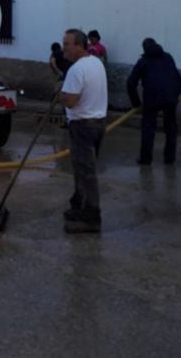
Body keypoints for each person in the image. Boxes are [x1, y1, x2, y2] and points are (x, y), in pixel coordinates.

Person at [61, 28, 108, 233]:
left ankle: (91, 216)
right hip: (98, 122)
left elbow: (70, 102)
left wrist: (59, 92)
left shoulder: (76, 70)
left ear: (79, 45)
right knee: (82, 169)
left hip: (82, 125)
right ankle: (79, 204)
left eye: (67, 44)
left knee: (86, 171)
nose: (64, 49)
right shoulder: (96, 62)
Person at [126, 38, 181, 165]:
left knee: (148, 128)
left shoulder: (143, 62)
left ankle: (146, 159)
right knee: (171, 128)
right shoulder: (168, 57)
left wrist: (136, 103)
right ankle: (169, 158)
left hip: (152, 100)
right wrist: (175, 95)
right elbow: (178, 79)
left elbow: (131, 83)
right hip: (170, 98)